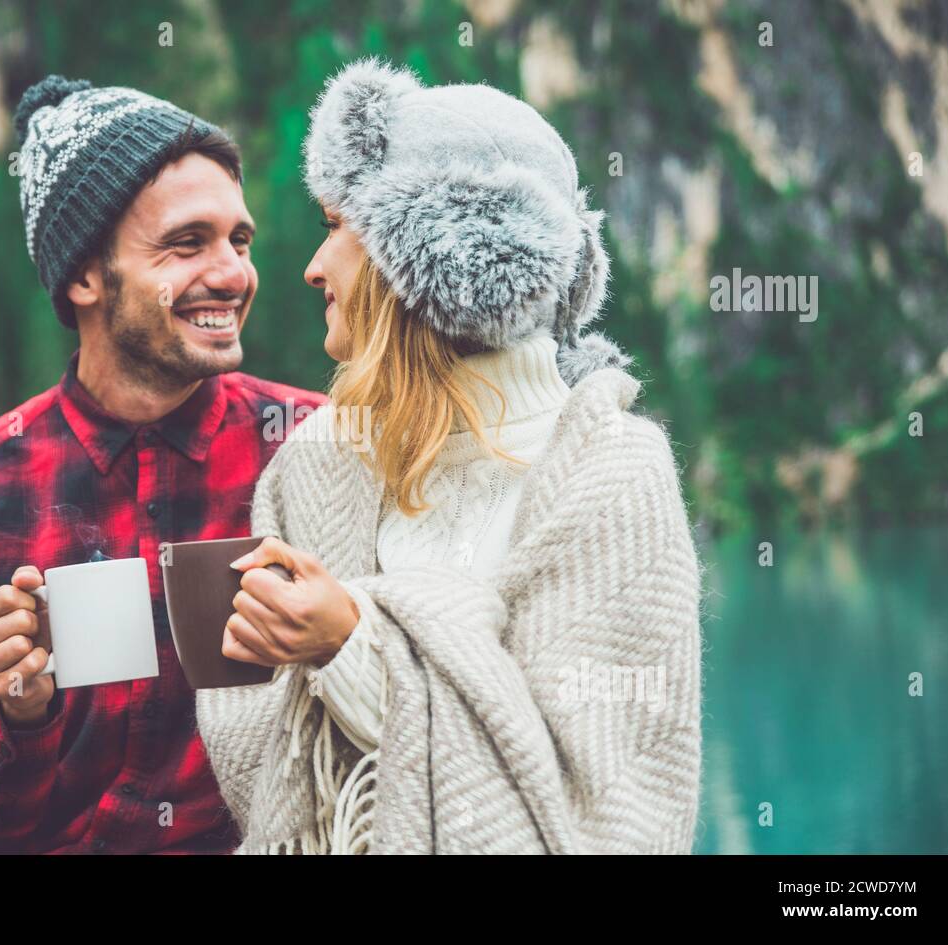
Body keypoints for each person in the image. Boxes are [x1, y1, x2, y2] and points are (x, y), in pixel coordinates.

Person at [194, 59, 703, 854]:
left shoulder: (611, 473)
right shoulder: (314, 463)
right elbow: (257, 746)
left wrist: (356, 643)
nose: (312, 267)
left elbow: (609, 818)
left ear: (431, 252)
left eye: (336, 225)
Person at [0, 76, 325, 853]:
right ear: (84, 277)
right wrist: (21, 710)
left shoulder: (314, 444)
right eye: (186, 242)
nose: (234, 274)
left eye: (240, 239)